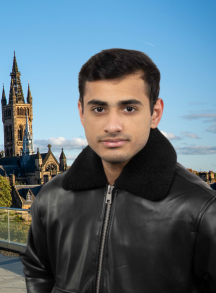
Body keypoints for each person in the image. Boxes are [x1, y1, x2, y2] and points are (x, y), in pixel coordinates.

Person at [19, 48, 215, 292]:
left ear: (155, 114)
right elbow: (37, 269)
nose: (112, 126)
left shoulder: (203, 207)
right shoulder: (51, 196)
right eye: (99, 109)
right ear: (82, 113)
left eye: (129, 108)